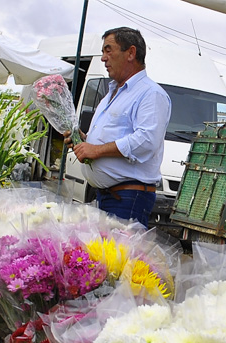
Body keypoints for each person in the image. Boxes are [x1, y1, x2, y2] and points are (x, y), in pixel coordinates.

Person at [65, 27, 170, 227]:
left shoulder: (150, 94)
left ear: (131, 53)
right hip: (109, 196)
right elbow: (113, 136)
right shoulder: (112, 93)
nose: (103, 58)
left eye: (108, 50)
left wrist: (96, 150)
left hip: (128, 198)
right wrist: (84, 141)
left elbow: (147, 141)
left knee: (120, 257)